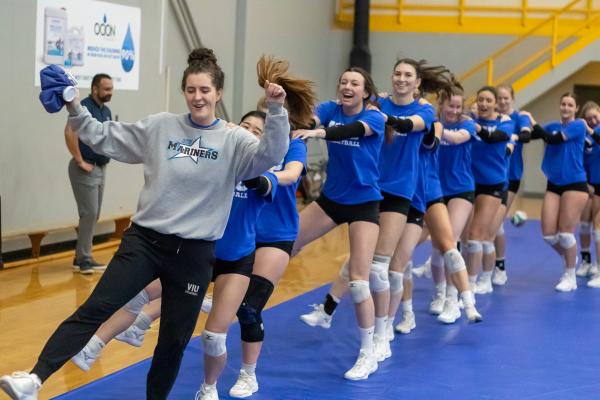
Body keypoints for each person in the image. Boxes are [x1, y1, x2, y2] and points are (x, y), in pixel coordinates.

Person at [0, 47, 290, 400]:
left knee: (172, 341)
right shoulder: (160, 126)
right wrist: (73, 105)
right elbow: (102, 134)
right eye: (191, 90)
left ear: (218, 94)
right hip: (146, 243)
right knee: (97, 307)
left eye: (205, 90)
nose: (198, 97)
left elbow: (271, 155)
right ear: (184, 91)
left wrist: (276, 110)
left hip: (194, 256)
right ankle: (34, 379)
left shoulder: (234, 140)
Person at [292, 66, 385, 381]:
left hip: (364, 203)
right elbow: (309, 121)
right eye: (343, 81)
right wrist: (293, 120)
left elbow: (352, 131)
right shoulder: (330, 109)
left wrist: (320, 133)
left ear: (366, 92)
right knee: (286, 242)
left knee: (359, 279)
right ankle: (243, 297)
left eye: (354, 83)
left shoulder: (374, 118)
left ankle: (368, 352)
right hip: (332, 199)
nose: (347, 86)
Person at [524, 93, 588, 291]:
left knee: (566, 233)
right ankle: (571, 255)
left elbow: (553, 140)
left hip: (575, 184)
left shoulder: (579, 125)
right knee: (549, 235)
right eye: (563, 104)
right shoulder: (552, 125)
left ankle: (570, 276)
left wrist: (532, 120)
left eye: (570, 105)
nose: (566, 107)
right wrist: (521, 126)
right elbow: (532, 136)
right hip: (554, 183)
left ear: (576, 109)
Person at [466, 86, 515, 294]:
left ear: (495, 103)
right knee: (470, 234)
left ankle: (480, 279)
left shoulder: (505, 122)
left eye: (488, 100)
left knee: (481, 234)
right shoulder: (471, 121)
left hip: (493, 185)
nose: (484, 104)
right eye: (481, 100)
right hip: (469, 183)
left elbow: (494, 138)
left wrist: (475, 128)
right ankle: (474, 277)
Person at [64, 73, 113, 274]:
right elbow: (70, 132)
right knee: (89, 213)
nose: (110, 92)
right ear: (94, 89)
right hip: (85, 168)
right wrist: (79, 161)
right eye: (106, 89)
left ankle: (80, 257)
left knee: (94, 214)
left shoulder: (106, 110)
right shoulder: (83, 107)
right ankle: (85, 259)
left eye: (111, 89)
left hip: (100, 169)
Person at [489, 85, 532, 287]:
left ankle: (500, 267)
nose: (503, 101)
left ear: (512, 98)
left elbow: (526, 134)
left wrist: (513, 136)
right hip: (488, 176)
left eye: (506, 98)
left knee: (496, 223)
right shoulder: (492, 118)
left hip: (510, 176)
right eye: (500, 98)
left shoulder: (519, 117)